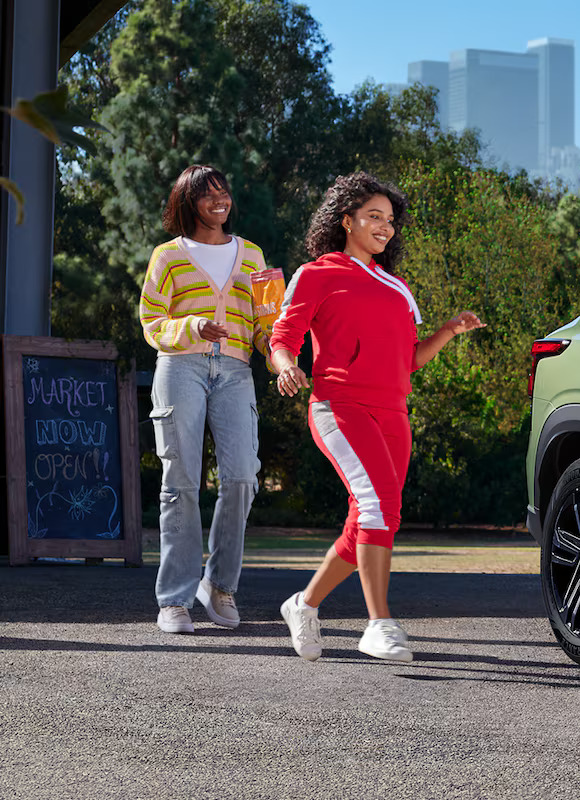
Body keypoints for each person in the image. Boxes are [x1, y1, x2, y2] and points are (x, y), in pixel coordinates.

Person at [269, 172, 485, 662]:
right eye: (373, 217)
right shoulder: (318, 273)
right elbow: (282, 338)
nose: (384, 228)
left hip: (393, 412)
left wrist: (449, 330)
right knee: (378, 507)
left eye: (389, 220)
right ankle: (379, 624)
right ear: (347, 220)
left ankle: (303, 605)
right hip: (339, 407)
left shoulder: (396, 286)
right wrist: (286, 367)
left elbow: (408, 359)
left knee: (368, 519)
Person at [139, 165, 286, 634]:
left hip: (237, 371)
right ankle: (174, 601)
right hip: (181, 367)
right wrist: (192, 328)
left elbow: (270, 323)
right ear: (189, 202)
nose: (219, 201)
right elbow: (151, 320)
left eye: (224, 192)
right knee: (180, 482)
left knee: (242, 477)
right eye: (208, 195)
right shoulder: (167, 256)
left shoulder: (254, 256)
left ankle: (218, 586)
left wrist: (283, 361)